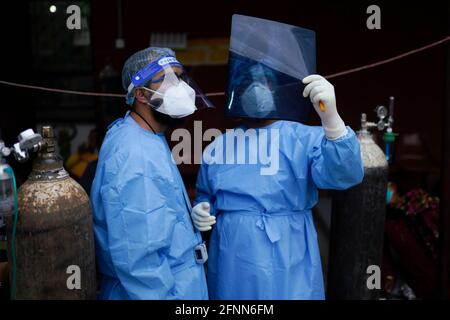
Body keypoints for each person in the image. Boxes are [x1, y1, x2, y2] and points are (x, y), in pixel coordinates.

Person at [192, 74, 364, 299]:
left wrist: (333, 123)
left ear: (277, 90)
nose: (255, 88)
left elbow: (345, 175)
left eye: (264, 81)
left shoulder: (304, 137)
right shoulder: (219, 146)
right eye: (248, 82)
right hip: (234, 255)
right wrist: (200, 211)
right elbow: (206, 198)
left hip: (289, 251)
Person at [90, 47, 209, 300]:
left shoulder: (145, 135)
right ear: (142, 95)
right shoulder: (135, 154)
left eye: (179, 77)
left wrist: (185, 219)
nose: (180, 87)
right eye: (167, 79)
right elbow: (139, 261)